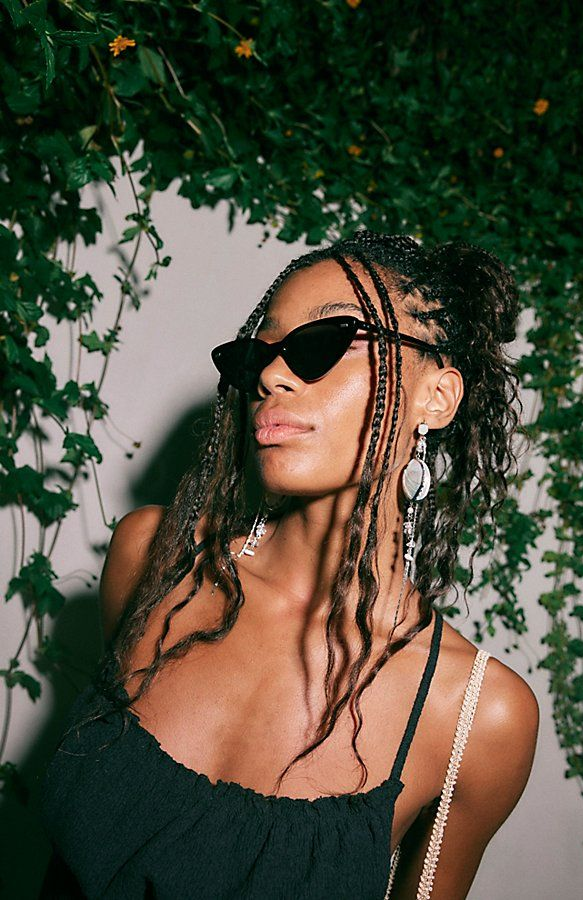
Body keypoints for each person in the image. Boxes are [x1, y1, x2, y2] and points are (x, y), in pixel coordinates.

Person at [40, 230, 539, 899]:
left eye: (325, 341)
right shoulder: (154, 558)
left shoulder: (476, 716)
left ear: (437, 397)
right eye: (259, 353)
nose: (271, 375)